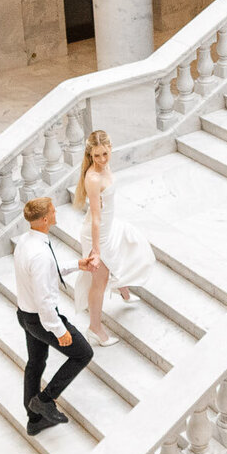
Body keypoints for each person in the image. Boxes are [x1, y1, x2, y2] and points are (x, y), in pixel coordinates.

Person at [13, 196, 94, 435]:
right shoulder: (39, 254)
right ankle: (45, 400)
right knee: (83, 354)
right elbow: (45, 299)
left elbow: (45, 273)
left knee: (35, 363)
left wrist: (76, 265)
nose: (57, 212)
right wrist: (60, 330)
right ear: (46, 218)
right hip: (41, 318)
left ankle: (34, 420)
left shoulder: (26, 242)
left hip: (26, 315)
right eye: (53, 210)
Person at [73, 129, 155, 346]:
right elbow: (96, 218)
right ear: (90, 155)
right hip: (97, 234)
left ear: (110, 148)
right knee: (99, 282)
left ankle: (124, 290)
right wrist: (97, 250)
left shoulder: (106, 166)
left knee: (130, 245)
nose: (101, 160)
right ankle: (94, 328)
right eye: (96, 156)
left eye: (105, 154)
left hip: (109, 226)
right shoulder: (92, 177)